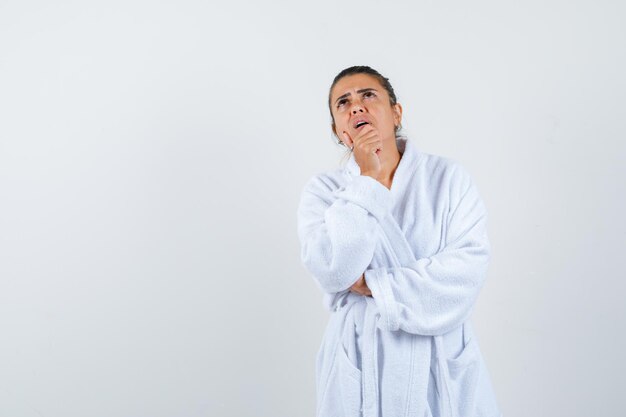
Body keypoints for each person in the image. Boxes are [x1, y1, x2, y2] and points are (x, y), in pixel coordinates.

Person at [297, 65, 502, 417]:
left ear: (396, 112)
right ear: (338, 130)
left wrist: (374, 284)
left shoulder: (448, 179)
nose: (356, 107)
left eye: (368, 95)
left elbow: (465, 274)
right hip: (360, 358)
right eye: (343, 103)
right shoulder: (324, 192)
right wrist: (369, 180)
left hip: (439, 359)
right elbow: (335, 271)